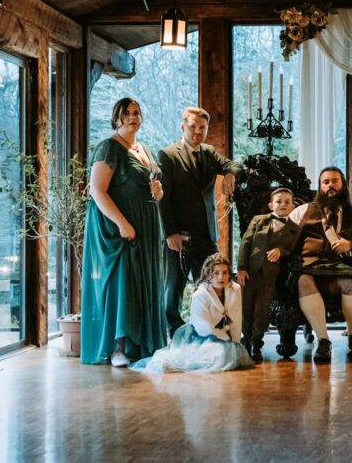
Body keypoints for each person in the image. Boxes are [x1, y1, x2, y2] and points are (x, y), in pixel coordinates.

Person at [81, 98, 168, 366]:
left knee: (146, 282)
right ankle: (118, 348)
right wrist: (122, 223)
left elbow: (154, 186)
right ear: (116, 117)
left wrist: (159, 193)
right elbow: (97, 190)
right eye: (127, 113)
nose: (133, 117)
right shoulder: (109, 147)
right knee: (124, 284)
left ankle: (142, 344)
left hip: (148, 224)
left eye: (137, 113)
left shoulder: (145, 149)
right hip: (119, 228)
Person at [157, 106, 244, 338]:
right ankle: (174, 335)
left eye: (202, 127)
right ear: (182, 126)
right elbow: (162, 199)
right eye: (193, 126)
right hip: (179, 235)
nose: (197, 131)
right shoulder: (167, 155)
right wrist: (170, 232)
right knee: (173, 289)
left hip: (207, 235)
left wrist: (230, 174)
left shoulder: (209, 152)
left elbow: (236, 165)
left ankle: (208, 333)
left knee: (210, 287)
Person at [287, 166, 352, 363]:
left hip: (339, 266)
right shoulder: (303, 211)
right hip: (308, 266)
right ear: (320, 187)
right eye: (326, 182)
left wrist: (351, 244)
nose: (330, 185)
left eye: (335, 181)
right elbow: (283, 238)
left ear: (343, 185)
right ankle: (323, 341)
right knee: (303, 281)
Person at [132, 253, 253, 373]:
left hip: (224, 335)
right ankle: (169, 364)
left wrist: (235, 342)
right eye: (216, 273)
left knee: (234, 355)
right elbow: (203, 327)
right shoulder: (200, 294)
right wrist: (222, 337)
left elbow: (236, 317)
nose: (221, 277)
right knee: (217, 355)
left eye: (225, 272)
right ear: (208, 274)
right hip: (200, 335)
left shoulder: (235, 289)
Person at [236, 187, 301, 362]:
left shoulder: (294, 229)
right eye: (279, 201)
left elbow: (292, 249)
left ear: (293, 206)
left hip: (270, 276)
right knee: (246, 308)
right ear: (271, 204)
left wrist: (281, 250)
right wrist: (241, 268)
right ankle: (245, 341)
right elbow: (246, 242)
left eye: (287, 202)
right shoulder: (259, 220)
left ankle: (257, 343)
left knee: (261, 311)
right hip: (249, 272)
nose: (283, 204)